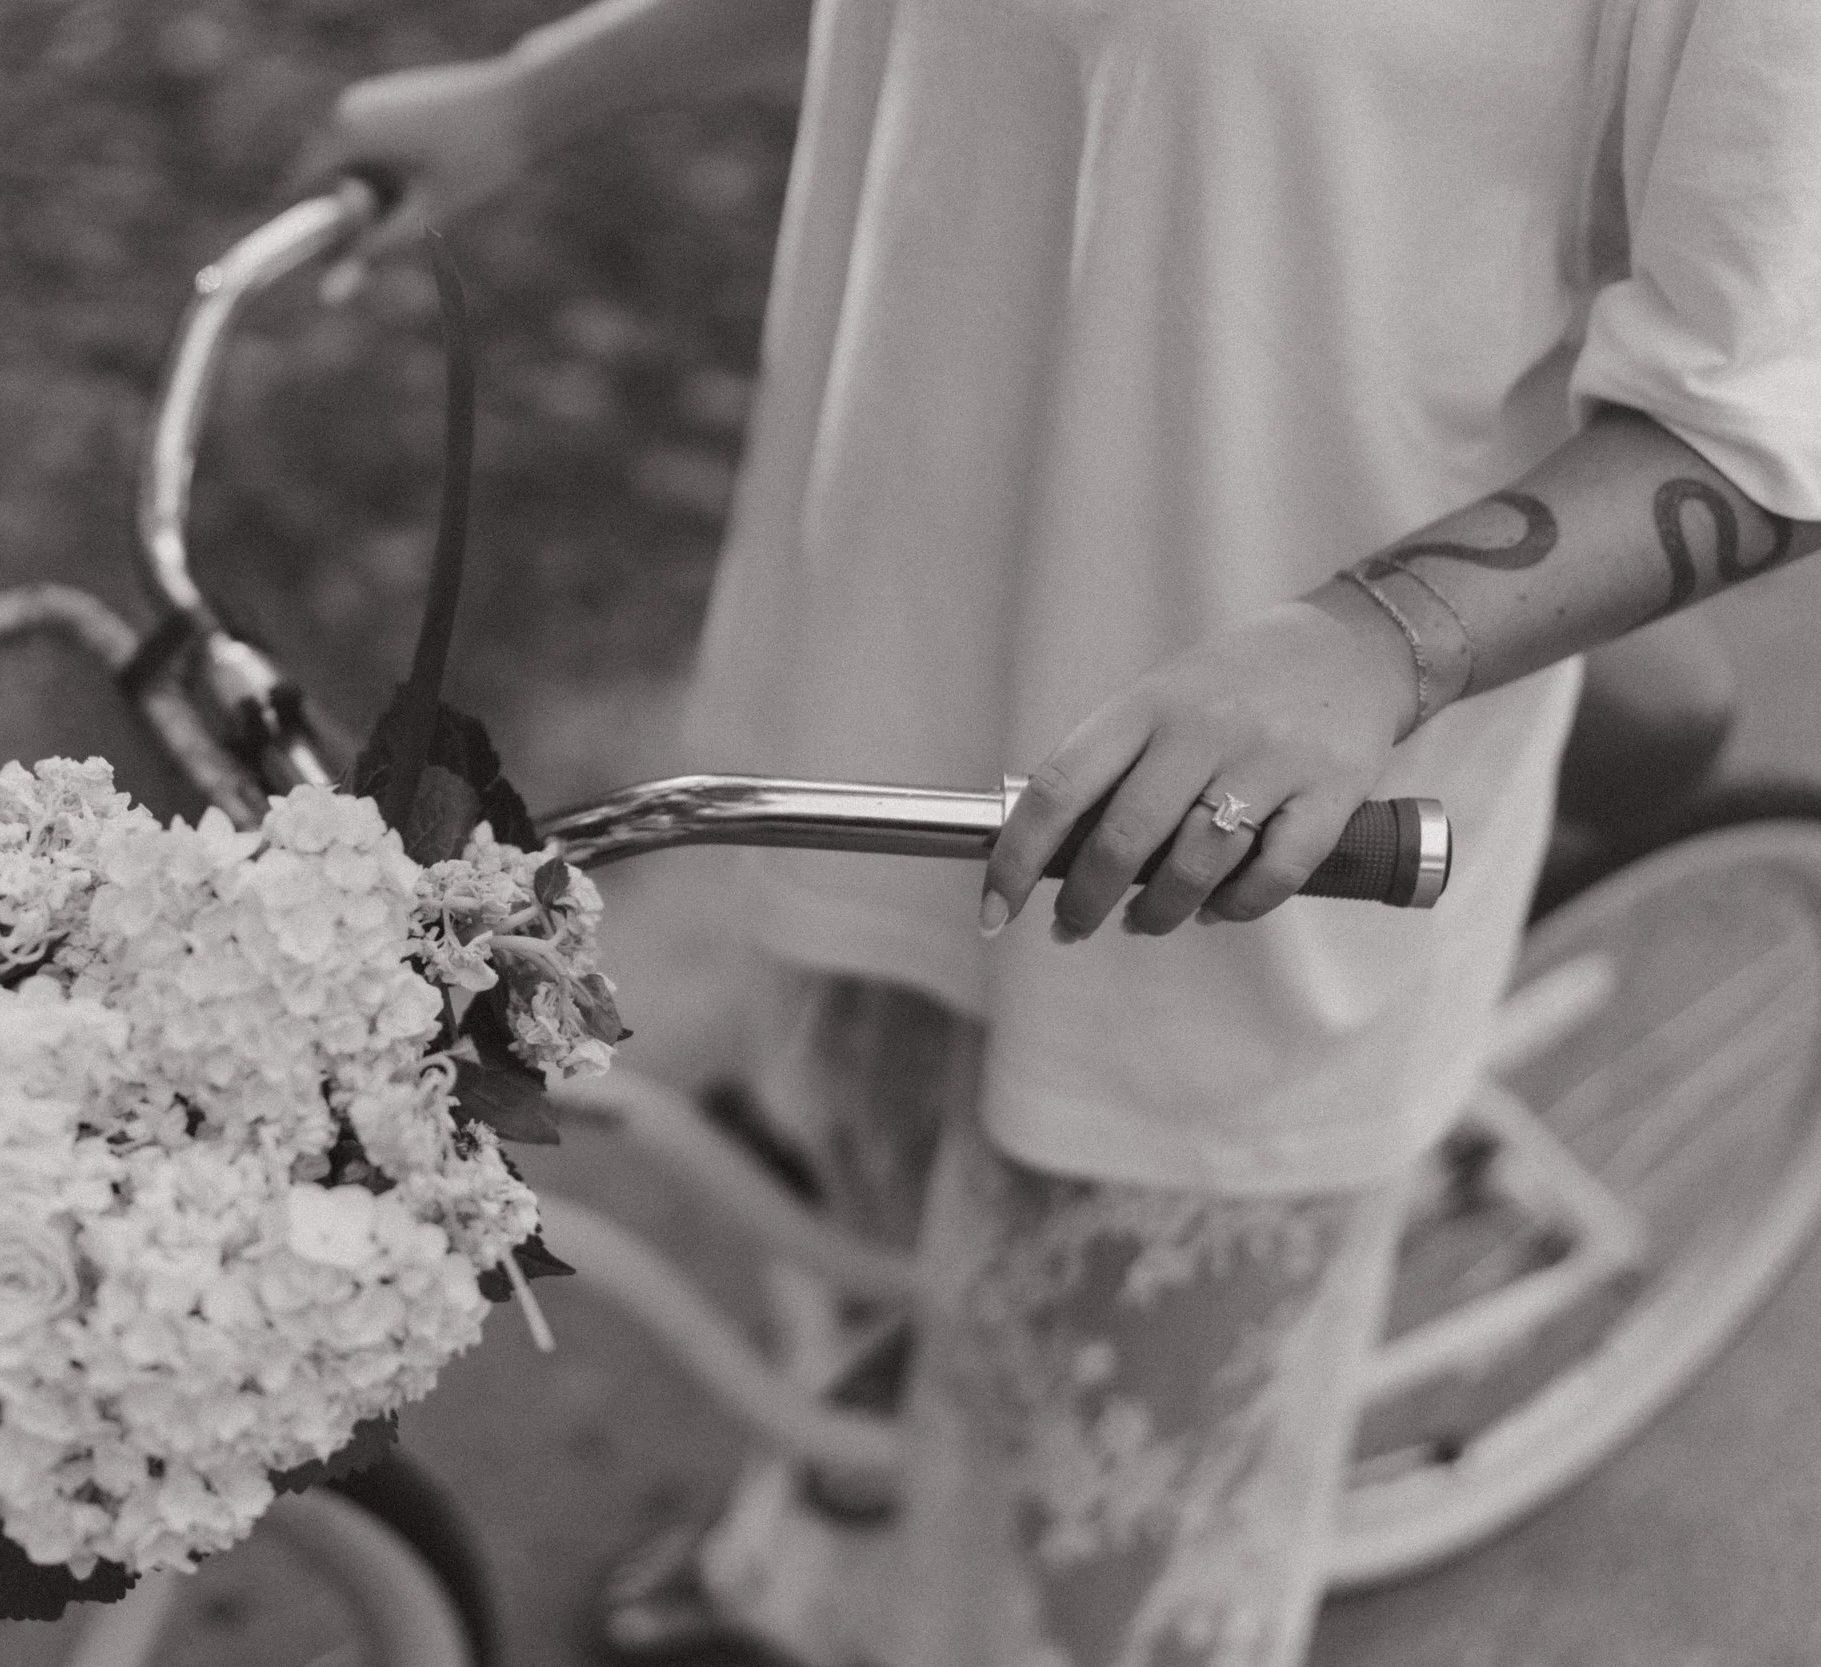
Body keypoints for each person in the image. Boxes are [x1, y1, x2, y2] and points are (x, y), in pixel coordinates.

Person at [300, 3, 1821, 1665]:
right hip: (872, 716)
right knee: (871, 1262)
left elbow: (1763, 418)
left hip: (1233, 848)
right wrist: (537, 97)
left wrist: (1374, 640)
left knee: (1087, 1589)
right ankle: (817, 1584)